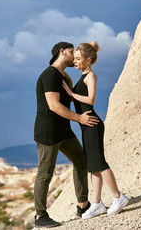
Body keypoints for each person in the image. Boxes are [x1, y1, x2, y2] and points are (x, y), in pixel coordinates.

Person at [34, 41, 99, 228]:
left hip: (63, 131)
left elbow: (71, 97)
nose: (75, 55)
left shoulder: (63, 76)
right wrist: (80, 118)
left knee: (81, 160)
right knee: (45, 174)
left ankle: (83, 205)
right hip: (47, 133)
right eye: (72, 52)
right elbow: (54, 105)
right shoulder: (50, 75)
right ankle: (40, 216)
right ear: (62, 52)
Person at [62, 41, 130, 219]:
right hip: (86, 125)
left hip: (92, 124)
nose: (74, 61)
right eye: (74, 58)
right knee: (93, 165)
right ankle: (97, 203)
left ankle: (118, 197)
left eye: (78, 58)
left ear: (88, 59)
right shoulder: (82, 75)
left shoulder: (90, 76)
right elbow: (79, 100)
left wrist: (70, 93)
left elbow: (90, 100)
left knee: (99, 162)